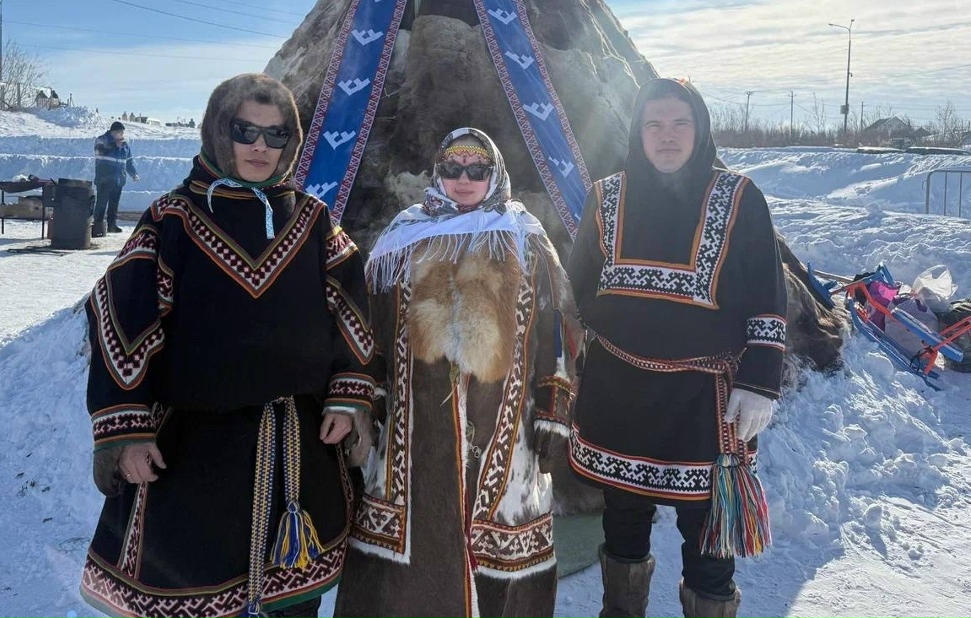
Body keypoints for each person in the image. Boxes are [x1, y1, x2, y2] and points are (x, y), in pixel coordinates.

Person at [79, 73, 379, 618]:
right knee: (199, 597)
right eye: (246, 131)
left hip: (298, 452)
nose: (261, 146)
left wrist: (347, 397)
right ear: (219, 131)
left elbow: (351, 311)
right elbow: (122, 319)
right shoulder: (172, 219)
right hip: (195, 454)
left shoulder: (312, 221)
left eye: (277, 134)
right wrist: (127, 430)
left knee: (295, 604)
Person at [334, 128, 579, 618]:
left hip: (506, 443)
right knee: (406, 573)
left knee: (500, 567)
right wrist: (364, 408)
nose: (463, 179)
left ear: (494, 175)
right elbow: (369, 336)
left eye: (477, 170)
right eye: (452, 169)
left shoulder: (525, 239)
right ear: (437, 173)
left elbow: (557, 334)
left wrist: (555, 412)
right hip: (412, 442)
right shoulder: (400, 241)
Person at [567, 78, 787, 618]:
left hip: (703, 400)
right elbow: (578, 285)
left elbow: (766, 291)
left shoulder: (740, 197)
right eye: (654, 124)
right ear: (638, 133)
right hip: (618, 391)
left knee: (708, 537)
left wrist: (759, 380)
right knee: (621, 521)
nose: (667, 136)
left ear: (700, 130)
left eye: (680, 124)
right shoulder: (606, 196)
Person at [92, 120, 139, 236]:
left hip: (118, 180)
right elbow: (99, 153)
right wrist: (114, 146)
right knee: (101, 203)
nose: (122, 135)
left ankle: (111, 225)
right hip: (104, 178)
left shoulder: (125, 145)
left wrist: (134, 174)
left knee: (114, 203)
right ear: (113, 132)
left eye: (122, 132)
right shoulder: (102, 139)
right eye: (120, 132)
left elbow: (129, 162)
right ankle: (97, 226)